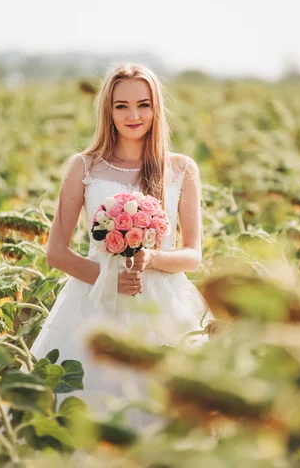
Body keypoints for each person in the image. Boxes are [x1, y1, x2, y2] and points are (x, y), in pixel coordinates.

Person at [26, 63, 214, 430]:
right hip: (94, 302)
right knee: (84, 412)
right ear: (108, 111)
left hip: (162, 304)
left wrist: (153, 258)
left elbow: (193, 254)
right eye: (121, 106)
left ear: (156, 109)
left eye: (143, 105)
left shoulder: (181, 169)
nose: (133, 115)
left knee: (163, 409)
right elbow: (56, 252)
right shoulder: (84, 166)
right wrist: (108, 280)